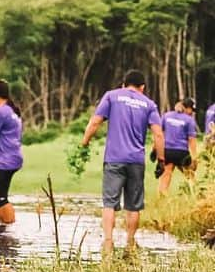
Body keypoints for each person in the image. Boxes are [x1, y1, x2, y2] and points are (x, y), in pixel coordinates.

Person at [79, 70, 164, 252]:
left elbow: (95, 122)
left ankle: (108, 241)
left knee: (109, 203)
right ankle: (130, 242)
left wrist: (84, 143)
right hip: (136, 161)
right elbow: (158, 133)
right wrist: (161, 160)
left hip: (114, 160)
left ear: (124, 84)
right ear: (142, 87)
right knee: (133, 205)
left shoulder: (112, 96)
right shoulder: (149, 104)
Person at [0, 80, 23, 224]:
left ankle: (9, 227)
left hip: (6, 160)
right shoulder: (11, 111)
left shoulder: (1, 112)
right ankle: (0, 227)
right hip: (14, 156)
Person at [156, 98, 198, 194]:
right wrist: (194, 158)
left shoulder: (166, 116)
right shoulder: (189, 120)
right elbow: (192, 140)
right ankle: (197, 195)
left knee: (166, 174)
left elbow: (159, 133)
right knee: (190, 176)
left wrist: (156, 149)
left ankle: (162, 196)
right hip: (182, 153)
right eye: (192, 110)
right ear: (187, 108)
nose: (192, 113)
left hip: (168, 151)